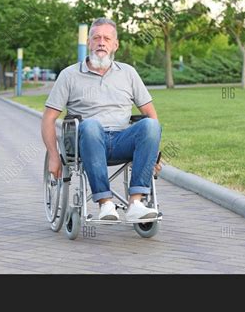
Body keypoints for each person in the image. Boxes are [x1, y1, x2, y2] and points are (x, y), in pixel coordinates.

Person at [41, 18, 162, 222]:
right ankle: (105, 203)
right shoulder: (69, 75)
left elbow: (151, 113)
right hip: (88, 141)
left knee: (151, 124)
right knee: (90, 125)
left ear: (115, 45)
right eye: (96, 37)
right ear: (89, 43)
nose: (101, 42)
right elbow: (48, 118)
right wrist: (54, 155)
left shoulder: (128, 73)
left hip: (123, 140)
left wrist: (154, 155)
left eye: (107, 38)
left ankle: (136, 203)